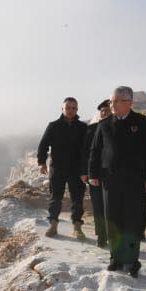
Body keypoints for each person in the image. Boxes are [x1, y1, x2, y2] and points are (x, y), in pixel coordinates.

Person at [87, 86, 146, 277]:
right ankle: (115, 258)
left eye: (116, 101)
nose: (112, 105)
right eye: (111, 101)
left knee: (133, 222)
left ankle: (131, 260)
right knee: (113, 220)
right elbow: (95, 151)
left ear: (129, 102)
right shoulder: (104, 125)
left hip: (136, 182)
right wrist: (92, 174)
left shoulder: (143, 123)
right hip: (110, 182)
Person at [36, 97, 89, 240]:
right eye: (68, 108)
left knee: (77, 198)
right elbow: (43, 145)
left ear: (77, 109)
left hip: (76, 169)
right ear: (62, 109)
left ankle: (77, 227)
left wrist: (85, 170)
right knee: (56, 197)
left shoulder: (83, 127)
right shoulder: (53, 126)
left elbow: (87, 150)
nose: (70, 111)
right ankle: (53, 225)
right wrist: (41, 163)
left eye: (73, 108)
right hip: (57, 168)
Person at [81, 99, 112, 248]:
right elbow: (85, 152)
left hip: (112, 175)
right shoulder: (92, 128)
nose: (104, 113)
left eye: (107, 110)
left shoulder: (116, 127)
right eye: (102, 111)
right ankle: (101, 235)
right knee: (98, 205)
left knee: (112, 206)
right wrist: (85, 172)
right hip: (95, 174)